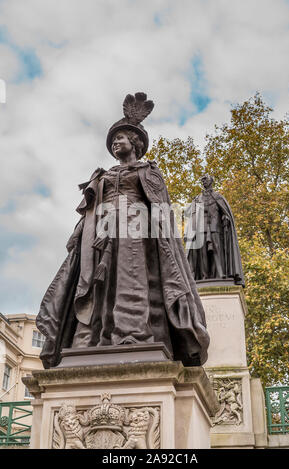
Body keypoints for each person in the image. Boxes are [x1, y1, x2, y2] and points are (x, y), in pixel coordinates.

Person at [36, 92, 210, 368]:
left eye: (121, 138)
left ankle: (132, 335)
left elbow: (160, 209)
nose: (116, 143)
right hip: (102, 235)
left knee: (132, 280)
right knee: (100, 284)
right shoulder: (104, 175)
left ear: (135, 143)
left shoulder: (148, 172)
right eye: (114, 140)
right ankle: (97, 338)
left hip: (135, 231)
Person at [185, 174, 244, 285]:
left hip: (215, 228)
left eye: (206, 180)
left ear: (211, 181)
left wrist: (225, 217)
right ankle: (204, 276)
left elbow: (224, 212)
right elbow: (191, 215)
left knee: (217, 250)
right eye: (202, 181)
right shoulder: (197, 199)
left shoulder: (218, 197)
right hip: (201, 229)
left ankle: (220, 274)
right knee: (202, 253)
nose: (204, 182)